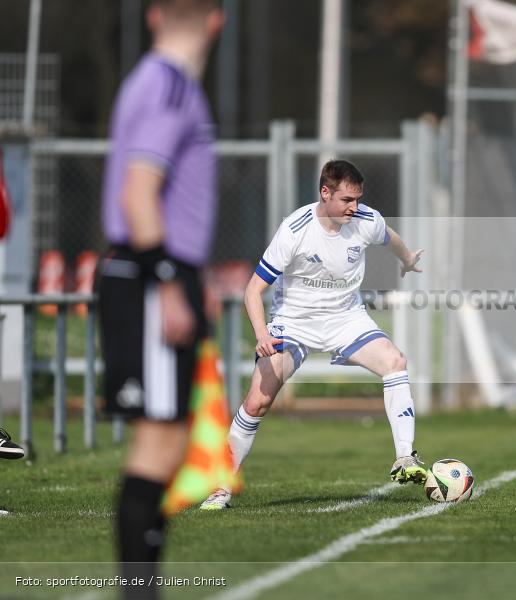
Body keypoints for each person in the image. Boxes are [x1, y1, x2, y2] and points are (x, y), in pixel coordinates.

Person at [200, 159, 426, 510]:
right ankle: (220, 488)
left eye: (357, 199)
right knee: (257, 402)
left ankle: (405, 459)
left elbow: (389, 237)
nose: (355, 207)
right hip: (294, 322)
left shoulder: (366, 220)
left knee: (395, 362)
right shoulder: (295, 230)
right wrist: (261, 333)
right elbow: (252, 290)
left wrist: (408, 258)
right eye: (347, 200)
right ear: (325, 192)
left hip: (346, 319)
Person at [96, 0, 223, 593]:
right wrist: (174, 284)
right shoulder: (171, 86)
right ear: (217, 21)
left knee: (167, 442)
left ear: (153, 15)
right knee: (156, 443)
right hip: (151, 276)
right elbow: (138, 196)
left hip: (158, 271)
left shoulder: (152, 82)